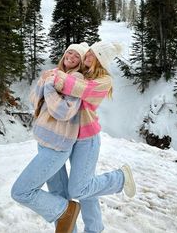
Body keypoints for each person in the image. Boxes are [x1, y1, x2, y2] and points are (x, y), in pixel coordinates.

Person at [47, 41, 136, 233]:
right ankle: (93, 229)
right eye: (87, 53)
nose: (87, 57)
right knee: (86, 187)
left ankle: (120, 178)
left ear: (100, 60)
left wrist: (55, 76)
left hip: (87, 139)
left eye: (91, 55)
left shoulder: (104, 80)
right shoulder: (84, 72)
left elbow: (77, 88)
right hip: (68, 137)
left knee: (79, 189)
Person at [11, 42, 90, 233]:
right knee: (57, 193)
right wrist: (44, 82)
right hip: (45, 143)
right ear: (64, 53)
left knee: (21, 192)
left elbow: (63, 111)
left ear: (80, 62)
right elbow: (34, 100)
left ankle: (67, 209)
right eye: (69, 52)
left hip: (57, 146)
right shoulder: (54, 73)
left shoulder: (75, 79)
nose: (71, 56)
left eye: (77, 56)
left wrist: (48, 85)